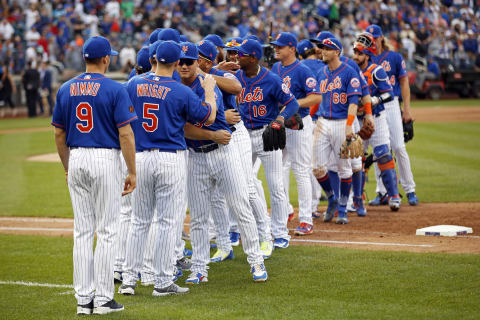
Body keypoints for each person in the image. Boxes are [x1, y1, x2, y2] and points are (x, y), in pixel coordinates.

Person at [118, 40, 218, 297]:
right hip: (170, 158)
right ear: (176, 63)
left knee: (139, 221)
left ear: (154, 59)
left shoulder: (134, 84)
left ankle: (129, 280)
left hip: (140, 157)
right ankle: (161, 282)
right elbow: (208, 117)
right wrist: (208, 90)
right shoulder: (180, 91)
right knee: (166, 222)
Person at [51, 36, 137, 315]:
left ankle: (83, 299)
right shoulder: (115, 88)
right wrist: (132, 170)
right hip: (104, 158)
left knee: (82, 231)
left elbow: (58, 132)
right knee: (108, 231)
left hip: (76, 157)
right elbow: (125, 133)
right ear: (105, 59)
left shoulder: (65, 88)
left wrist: (67, 166)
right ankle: (102, 299)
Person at [177, 41, 268, 284]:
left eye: (189, 61)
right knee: (197, 216)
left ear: (198, 63)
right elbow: (184, 128)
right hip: (196, 155)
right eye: (181, 61)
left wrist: (208, 130)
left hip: (221, 151)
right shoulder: (177, 86)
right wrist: (209, 132)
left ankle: (256, 260)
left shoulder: (208, 83)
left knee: (240, 206)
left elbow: (207, 117)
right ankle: (199, 268)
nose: (185, 65)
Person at [196, 39, 274, 260]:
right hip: (212, 136)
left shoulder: (223, 75)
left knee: (247, 187)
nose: (193, 60)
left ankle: (265, 238)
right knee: (215, 195)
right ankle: (224, 243)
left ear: (208, 60)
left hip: (235, 133)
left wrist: (210, 74)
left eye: (199, 57)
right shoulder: (190, 77)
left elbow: (236, 87)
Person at [235, 39, 300, 248]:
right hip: (243, 135)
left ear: (254, 57)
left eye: (242, 54)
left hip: (266, 134)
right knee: (241, 183)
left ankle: (280, 233)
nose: (237, 56)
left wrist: (280, 119)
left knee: (276, 184)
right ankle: (241, 229)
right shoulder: (236, 77)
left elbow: (292, 103)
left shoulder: (271, 79)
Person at [270, 32, 322, 236]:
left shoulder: (302, 70)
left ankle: (306, 220)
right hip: (281, 123)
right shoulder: (275, 67)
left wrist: (293, 105)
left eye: (280, 46)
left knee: (300, 170)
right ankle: (283, 213)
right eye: (275, 46)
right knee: (277, 169)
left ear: (292, 48)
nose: (276, 49)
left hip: (299, 124)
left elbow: (316, 96)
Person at [367, 24, 419, 206]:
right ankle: (382, 192)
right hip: (373, 106)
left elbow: (404, 83)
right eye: (369, 37)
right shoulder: (366, 58)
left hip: (391, 104)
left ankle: (410, 189)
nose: (373, 40)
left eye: (375, 37)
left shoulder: (395, 57)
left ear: (381, 38)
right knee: (379, 149)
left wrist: (407, 109)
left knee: (398, 146)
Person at [312, 37, 362, 224]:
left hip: (342, 123)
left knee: (344, 168)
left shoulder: (349, 72)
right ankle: (332, 197)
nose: (322, 51)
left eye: (327, 48)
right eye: (322, 48)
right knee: (316, 167)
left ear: (337, 52)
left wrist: (350, 125)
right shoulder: (322, 72)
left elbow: (354, 102)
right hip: (323, 122)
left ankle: (342, 208)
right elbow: (317, 99)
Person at [352, 32, 401, 212]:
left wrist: (375, 100)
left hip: (376, 118)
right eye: (355, 52)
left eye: (360, 53)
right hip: (356, 120)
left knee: (382, 154)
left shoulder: (376, 70)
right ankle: (358, 198)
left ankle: (394, 195)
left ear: (368, 54)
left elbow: (389, 93)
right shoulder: (350, 69)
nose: (356, 56)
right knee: (355, 159)